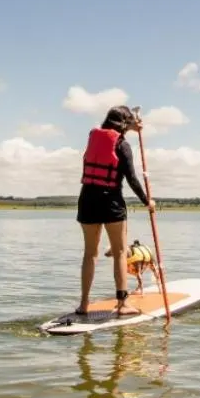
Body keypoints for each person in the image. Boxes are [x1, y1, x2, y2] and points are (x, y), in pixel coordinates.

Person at [75, 105, 156, 317]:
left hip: (87, 201)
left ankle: (84, 304)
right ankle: (122, 304)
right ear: (124, 124)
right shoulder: (123, 145)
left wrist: (133, 126)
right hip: (111, 202)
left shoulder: (93, 138)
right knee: (120, 252)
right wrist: (147, 201)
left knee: (90, 254)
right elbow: (132, 179)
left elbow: (119, 128)